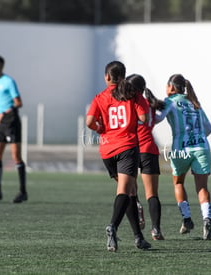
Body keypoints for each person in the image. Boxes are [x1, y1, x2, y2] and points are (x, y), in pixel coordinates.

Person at [86, 61, 151, 252]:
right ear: (123, 76)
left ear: (107, 77)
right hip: (126, 147)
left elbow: (90, 122)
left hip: (107, 150)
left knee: (130, 192)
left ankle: (138, 237)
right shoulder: (132, 94)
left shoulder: (99, 97)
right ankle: (112, 226)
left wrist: (101, 128)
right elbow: (143, 118)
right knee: (124, 191)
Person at [156, 74, 211, 240]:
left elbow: (158, 118)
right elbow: (209, 128)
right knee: (202, 188)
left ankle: (187, 219)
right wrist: (197, 137)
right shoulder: (194, 103)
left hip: (181, 149)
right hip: (201, 147)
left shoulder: (170, 101)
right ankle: (207, 220)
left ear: (172, 88)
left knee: (178, 182)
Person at [126, 74, 165, 241]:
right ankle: (156, 229)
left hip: (132, 148)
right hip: (149, 149)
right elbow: (158, 117)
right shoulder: (150, 104)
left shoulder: (129, 103)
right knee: (153, 194)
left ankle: (137, 206)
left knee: (131, 191)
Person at [0, 55, 28, 203]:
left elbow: (18, 103)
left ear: (1, 66)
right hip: (0, 123)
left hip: (11, 122)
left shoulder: (9, 81)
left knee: (16, 157)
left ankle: (23, 192)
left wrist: (3, 115)